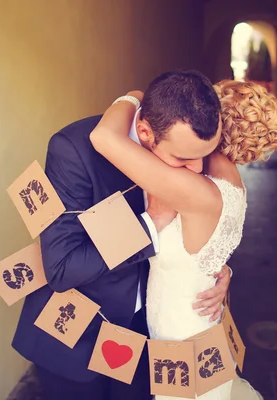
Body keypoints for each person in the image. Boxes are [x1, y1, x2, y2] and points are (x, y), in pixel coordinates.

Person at [12, 70, 232, 400]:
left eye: (205, 156)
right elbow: (62, 269)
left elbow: (204, 225)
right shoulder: (73, 150)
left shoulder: (193, 148)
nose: (199, 171)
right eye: (184, 159)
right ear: (144, 132)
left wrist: (215, 269)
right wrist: (150, 224)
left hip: (148, 339)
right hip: (77, 341)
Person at [90, 77, 277, 399]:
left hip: (182, 343)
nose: (189, 165)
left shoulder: (193, 188)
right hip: (201, 330)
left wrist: (136, 96)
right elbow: (206, 253)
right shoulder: (230, 182)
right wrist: (223, 273)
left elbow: (104, 136)